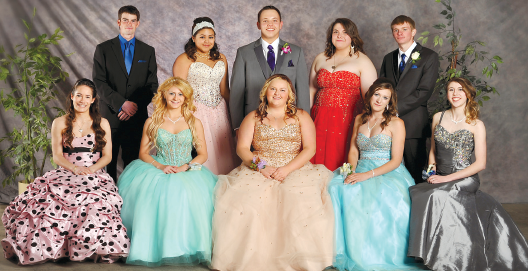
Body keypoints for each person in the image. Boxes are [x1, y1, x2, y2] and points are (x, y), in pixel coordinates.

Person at [211, 74, 334, 271]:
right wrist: (262, 167)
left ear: (289, 95)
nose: (277, 93)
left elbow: (310, 149)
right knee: (246, 203)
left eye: (282, 90)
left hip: (295, 168)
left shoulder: (302, 116)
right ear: (265, 92)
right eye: (273, 89)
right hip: (260, 168)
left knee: (300, 203)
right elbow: (242, 149)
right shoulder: (252, 117)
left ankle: (300, 260)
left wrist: (286, 169)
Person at [1, 79, 129, 265]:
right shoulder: (59, 122)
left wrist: (91, 170)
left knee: (94, 205)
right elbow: (57, 157)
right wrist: (75, 169)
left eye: (87, 97)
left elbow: (108, 156)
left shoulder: (103, 123)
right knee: (48, 208)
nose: (82, 100)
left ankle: (91, 248)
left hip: (94, 173)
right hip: (67, 171)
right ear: (72, 96)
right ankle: (55, 248)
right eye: (79, 96)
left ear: (93, 100)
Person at [407, 77, 528, 270]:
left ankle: (444, 259)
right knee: (419, 192)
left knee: (437, 195)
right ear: (446, 94)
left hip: (465, 178)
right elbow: (433, 150)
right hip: (440, 174)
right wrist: (431, 171)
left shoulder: (476, 124)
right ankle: (427, 253)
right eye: (451, 90)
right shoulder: (438, 117)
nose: (455, 94)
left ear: (468, 94)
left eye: (460, 90)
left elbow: (481, 163)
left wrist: (446, 179)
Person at [117, 77, 217, 267]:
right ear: (163, 94)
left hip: (186, 168)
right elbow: (143, 154)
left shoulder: (194, 122)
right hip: (159, 167)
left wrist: (185, 167)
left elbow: (203, 154)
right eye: (172, 93)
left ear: (186, 98)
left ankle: (185, 247)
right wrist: (161, 167)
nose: (176, 97)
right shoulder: (152, 121)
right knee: (151, 197)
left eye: (180, 94)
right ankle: (155, 248)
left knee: (190, 196)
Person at [328, 78, 422, 270]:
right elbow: (354, 150)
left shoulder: (396, 123)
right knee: (335, 187)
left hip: (386, 171)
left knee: (382, 196)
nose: (379, 100)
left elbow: (396, 160)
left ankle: (372, 254)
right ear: (370, 95)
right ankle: (341, 250)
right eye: (377, 94)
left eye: (385, 97)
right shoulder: (359, 119)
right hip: (360, 166)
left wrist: (367, 175)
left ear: (390, 101)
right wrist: (352, 171)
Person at [93, 5, 158, 180]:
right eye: (125, 20)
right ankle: (108, 201)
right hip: (111, 118)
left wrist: (133, 106)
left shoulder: (148, 51)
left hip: (136, 120)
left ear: (138, 24)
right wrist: (122, 104)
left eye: (133, 20)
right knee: (108, 165)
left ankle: (129, 202)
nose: (129, 24)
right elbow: (99, 82)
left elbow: (152, 85)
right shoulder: (103, 49)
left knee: (133, 165)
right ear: (118, 22)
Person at [172, 17, 238, 175]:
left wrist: (234, 116)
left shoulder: (221, 58)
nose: (207, 41)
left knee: (224, 152)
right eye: (202, 37)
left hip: (220, 112)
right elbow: (178, 93)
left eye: (211, 37)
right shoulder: (184, 59)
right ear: (193, 38)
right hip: (196, 111)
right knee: (202, 150)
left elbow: (224, 90)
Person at [310, 18, 377, 171]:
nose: (339, 36)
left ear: (352, 36)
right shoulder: (320, 58)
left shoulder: (363, 61)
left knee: (341, 159)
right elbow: (311, 89)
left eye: (345, 32)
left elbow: (371, 97)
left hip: (348, 119)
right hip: (319, 117)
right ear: (330, 36)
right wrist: (307, 118)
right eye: (335, 32)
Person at [229, 5, 310, 133]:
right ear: (258, 24)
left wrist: (304, 124)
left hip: (288, 122)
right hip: (252, 121)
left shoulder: (296, 52)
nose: (270, 24)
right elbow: (236, 94)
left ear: (281, 24)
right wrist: (238, 126)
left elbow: (303, 91)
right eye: (265, 21)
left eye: (274, 20)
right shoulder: (244, 52)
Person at [379, 15, 439, 183]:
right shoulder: (388, 58)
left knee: (415, 170)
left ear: (413, 32)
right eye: (395, 30)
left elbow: (424, 91)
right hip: (388, 123)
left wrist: (395, 110)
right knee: (390, 171)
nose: (400, 33)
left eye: (404, 29)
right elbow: (382, 87)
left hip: (413, 125)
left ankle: (419, 207)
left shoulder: (428, 56)